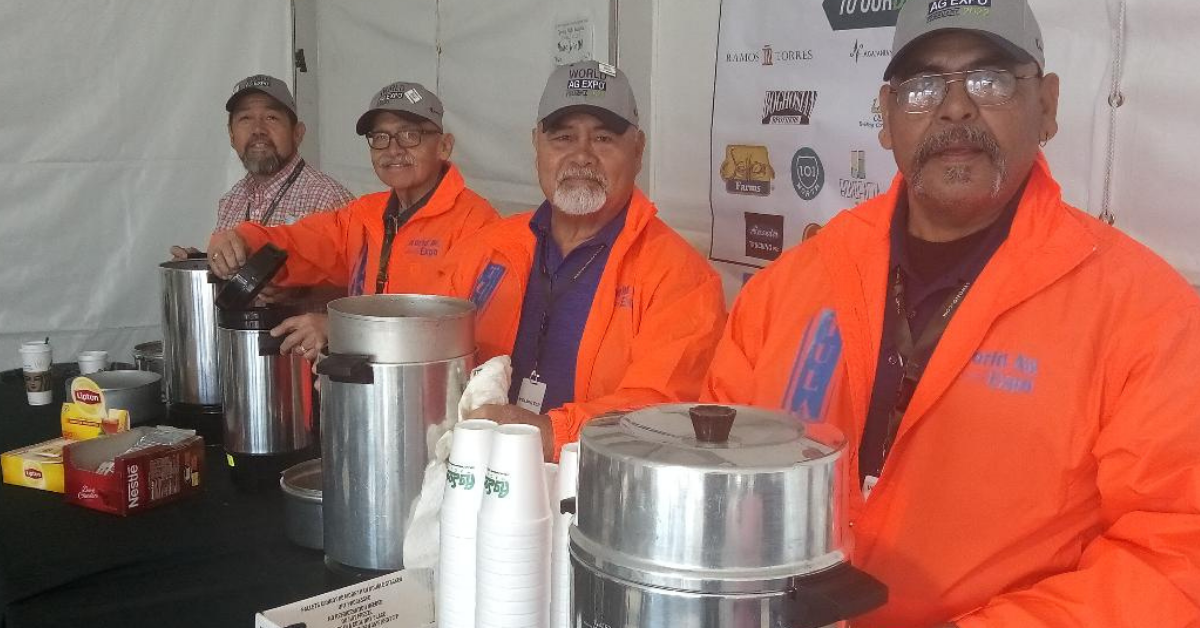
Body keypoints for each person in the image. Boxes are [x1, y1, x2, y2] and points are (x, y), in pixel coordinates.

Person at [702, 1, 1200, 626]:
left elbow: (1176, 554)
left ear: (1047, 105)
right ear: (886, 117)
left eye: (990, 79)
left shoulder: (1145, 314)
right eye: (923, 85)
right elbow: (715, 475)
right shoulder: (788, 288)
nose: (956, 107)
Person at [435, 61, 727, 460]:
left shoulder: (680, 278)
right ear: (536, 144)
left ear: (638, 150)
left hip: (601, 487)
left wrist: (550, 433)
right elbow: (432, 363)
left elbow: (665, 411)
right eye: (563, 137)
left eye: (604, 138)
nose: (582, 156)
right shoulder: (485, 250)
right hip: (475, 475)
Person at [207, 81, 499, 360]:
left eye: (410, 135)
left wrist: (340, 328)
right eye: (380, 137)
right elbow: (301, 242)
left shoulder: (476, 224)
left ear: (444, 146)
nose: (393, 149)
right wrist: (244, 238)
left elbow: (455, 330)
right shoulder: (364, 215)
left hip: (440, 388)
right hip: (367, 385)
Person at [170, 74, 354, 259]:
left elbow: (355, 274)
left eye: (271, 117)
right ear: (231, 136)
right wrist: (204, 262)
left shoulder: (329, 201)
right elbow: (235, 269)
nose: (258, 129)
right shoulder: (231, 201)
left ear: (297, 133)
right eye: (246, 118)